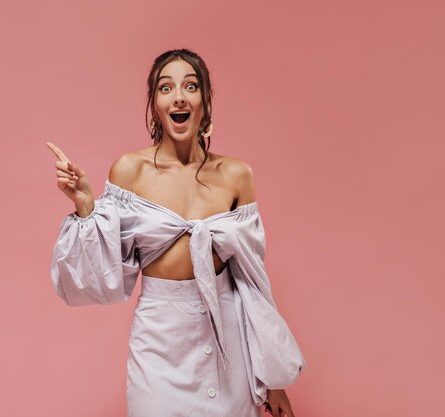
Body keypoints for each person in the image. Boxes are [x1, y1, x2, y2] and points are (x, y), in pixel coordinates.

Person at [47, 48, 307, 417]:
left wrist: (274, 378)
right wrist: (87, 206)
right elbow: (104, 276)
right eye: (166, 88)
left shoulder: (237, 176)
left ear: (205, 103)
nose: (179, 96)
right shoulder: (129, 171)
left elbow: (252, 283)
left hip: (229, 340)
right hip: (160, 340)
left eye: (191, 86)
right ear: (155, 105)